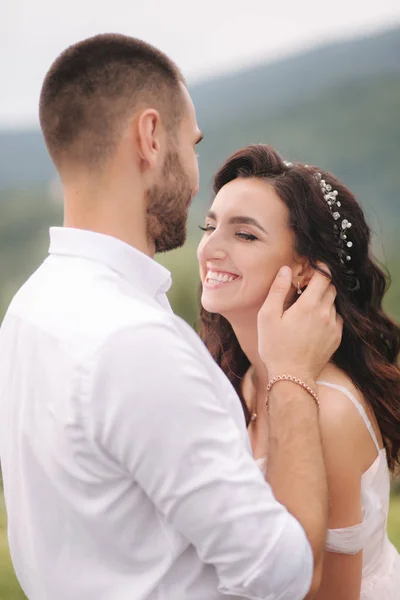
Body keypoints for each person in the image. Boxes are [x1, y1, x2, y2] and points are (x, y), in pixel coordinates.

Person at [0, 35, 342, 600]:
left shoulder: (29, 308)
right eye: (193, 143)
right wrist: (293, 374)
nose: (194, 170)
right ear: (151, 137)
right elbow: (287, 575)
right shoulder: (137, 342)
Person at [197, 143, 400, 599]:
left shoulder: (331, 411)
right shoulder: (235, 376)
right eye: (208, 227)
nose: (210, 248)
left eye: (244, 235)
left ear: (306, 270)